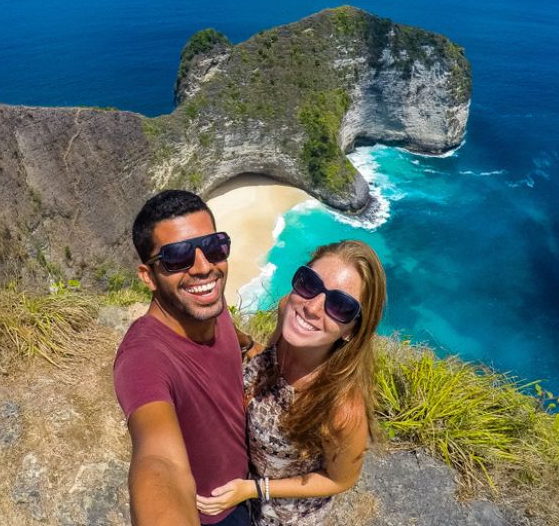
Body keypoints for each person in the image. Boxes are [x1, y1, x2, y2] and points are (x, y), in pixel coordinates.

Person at [197, 240, 387, 525]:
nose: (312, 307)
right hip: (239, 479)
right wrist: (245, 343)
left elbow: (340, 480)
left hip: (281, 516)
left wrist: (255, 489)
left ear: (352, 331)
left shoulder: (342, 408)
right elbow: (270, 359)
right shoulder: (289, 310)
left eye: (340, 305)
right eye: (309, 283)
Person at [113, 189, 252, 526]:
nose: (204, 268)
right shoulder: (143, 358)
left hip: (248, 483)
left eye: (214, 247)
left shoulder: (207, 308)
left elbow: (231, 336)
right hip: (215, 512)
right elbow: (160, 461)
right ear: (149, 276)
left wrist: (251, 346)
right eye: (178, 257)